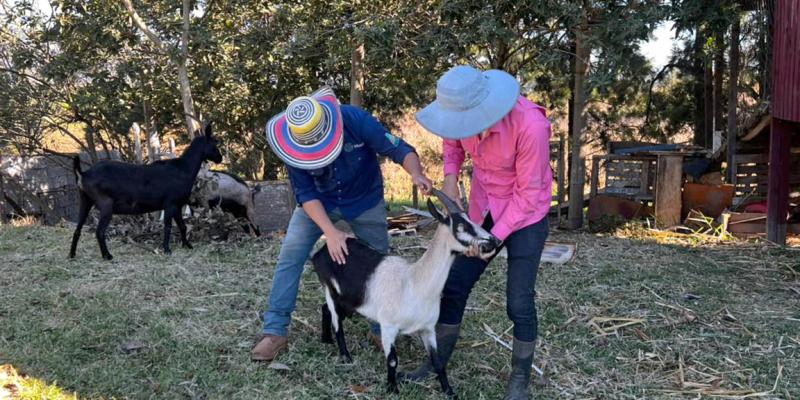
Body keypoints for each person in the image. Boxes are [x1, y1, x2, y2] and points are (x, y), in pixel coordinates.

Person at [251, 86, 432, 362]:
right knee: (290, 255)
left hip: (365, 200)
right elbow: (306, 194)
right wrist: (330, 232)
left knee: (380, 264)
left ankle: (379, 328)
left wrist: (416, 173)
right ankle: (275, 331)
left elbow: (398, 149)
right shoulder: (293, 144)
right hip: (319, 205)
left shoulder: (356, 120)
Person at [404, 65, 552, 400]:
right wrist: (451, 176)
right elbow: (452, 143)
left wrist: (492, 239)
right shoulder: (460, 117)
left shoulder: (531, 125)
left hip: (526, 216)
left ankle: (519, 380)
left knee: (519, 300)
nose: (462, 129)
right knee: (453, 284)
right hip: (483, 208)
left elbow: (527, 196)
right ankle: (437, 360)